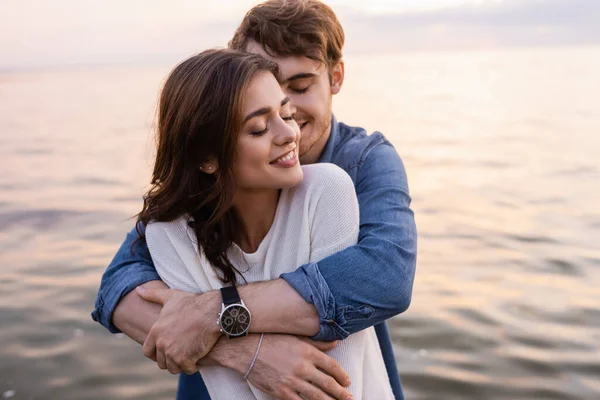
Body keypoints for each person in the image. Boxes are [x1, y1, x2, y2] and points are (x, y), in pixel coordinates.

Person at [92, 1, 417, 399]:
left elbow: (385, 277)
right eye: (260, 88)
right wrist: (248, 351)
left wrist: (211, 312)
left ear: (335, 77)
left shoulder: (359, 162)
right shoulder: (197, 196)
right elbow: (119, 288)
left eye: (298, 88)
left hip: (340, 377)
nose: (289, 117)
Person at [140, 47, 394, 399]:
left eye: (285, 113)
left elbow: (339, 383)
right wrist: (252, 353)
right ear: (207, 158)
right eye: (259, 128)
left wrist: (215, 322)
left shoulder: (326, 191)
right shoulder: (170, 235)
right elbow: (226, 389)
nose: (289, 133)